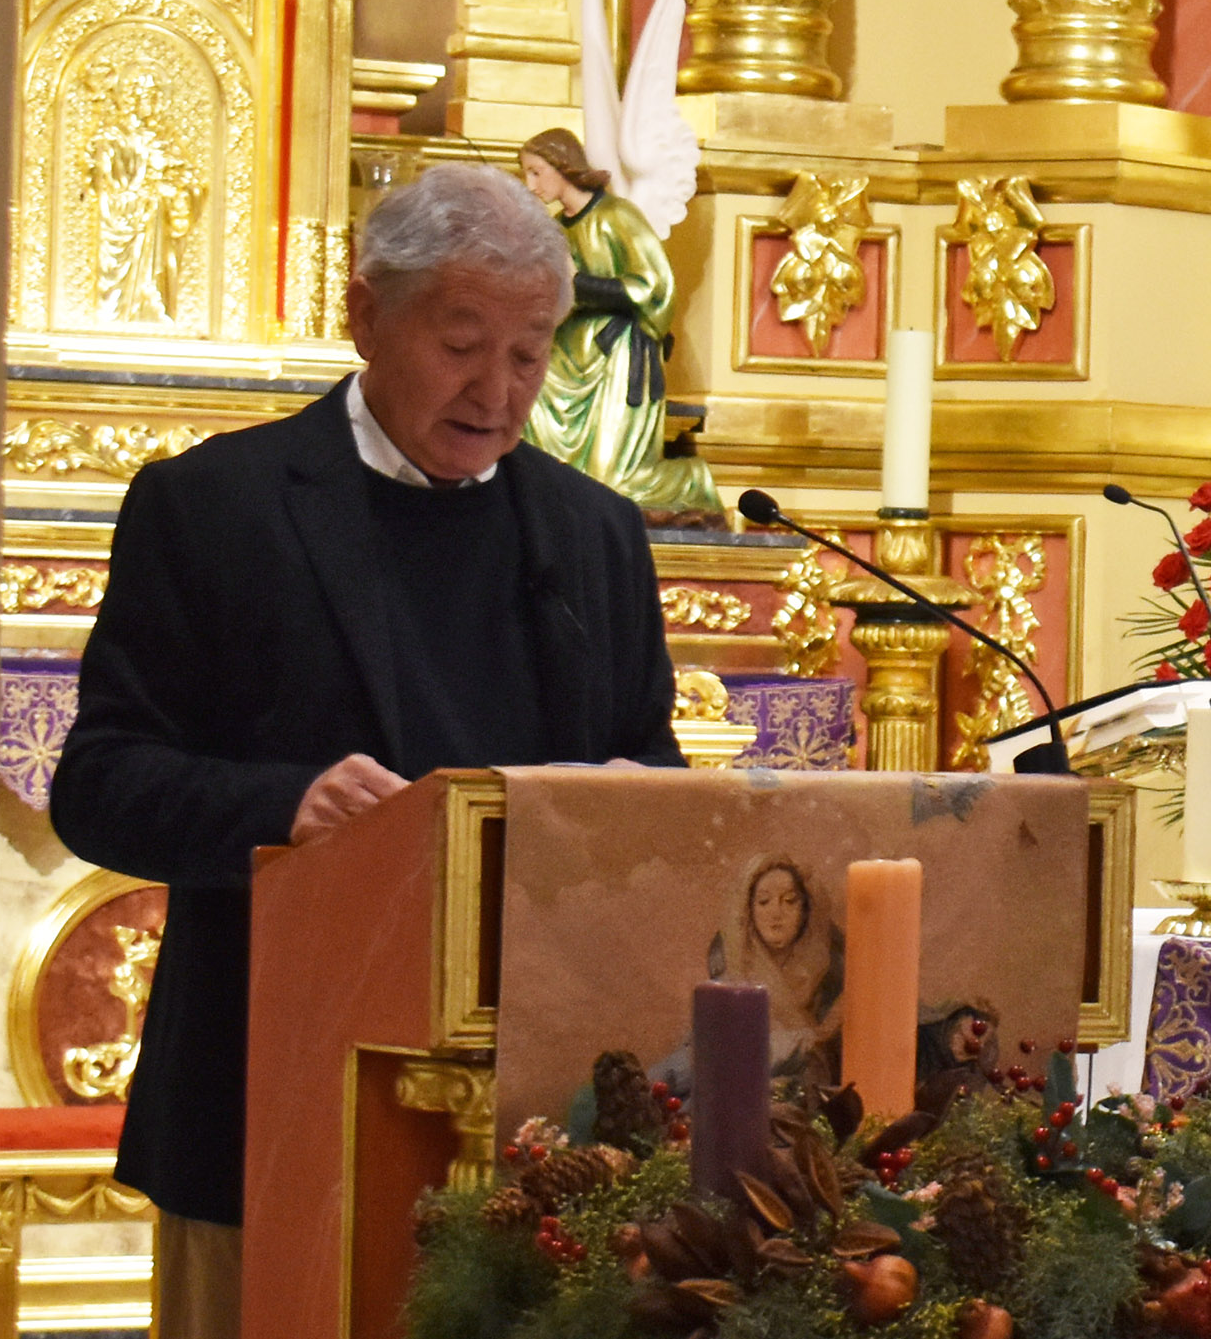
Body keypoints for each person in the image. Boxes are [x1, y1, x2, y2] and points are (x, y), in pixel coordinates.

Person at [49, 162, 686, 1339]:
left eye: (529, 353)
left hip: (543, 1127)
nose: (497, 390)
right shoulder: (214, 507)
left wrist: (627, 804)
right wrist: (286, 803)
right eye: (461, 344)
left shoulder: (591, 534)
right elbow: (97, 786)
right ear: (364, 316)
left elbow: (650, 765)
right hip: (272, 1100)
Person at [516, 128, 721, 515]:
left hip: (617, 352)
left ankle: (693, 481)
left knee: (609, 484)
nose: (530, 184)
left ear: (563, 167)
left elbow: (654, 287)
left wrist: (580, 285)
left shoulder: (616, 217)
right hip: (568, 354)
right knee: (529, 411)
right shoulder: (557, 230)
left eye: (536, 172)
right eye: (526, 173)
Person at [708, 854, 845, 1080]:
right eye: (763, 901)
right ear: (748, 910)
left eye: (790, 900)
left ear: (806, 909)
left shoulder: (830, 971)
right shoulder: (730, 965)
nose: (776, 913)